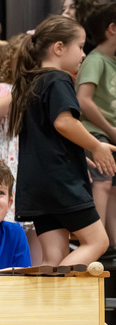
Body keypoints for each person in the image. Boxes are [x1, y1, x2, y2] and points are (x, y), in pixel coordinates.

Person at [8, 15, 116, 266]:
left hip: (37, 185)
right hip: (60, 183)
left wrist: (80, 156)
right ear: (59, 47)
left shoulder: (33, 81)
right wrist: (95, 146)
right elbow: (64, 122)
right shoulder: (58, 79)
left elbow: (47, 136)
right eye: (80, 46)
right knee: (97, 242)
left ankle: (42, 304)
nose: (83, 54)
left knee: (53, 257)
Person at [0, 34, 43, 265]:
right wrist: (26, 83)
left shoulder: (45, 87)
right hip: (10, 162)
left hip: (36, 162)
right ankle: (4, 270)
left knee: (37, 226)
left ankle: (36, 276)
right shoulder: (3, 88)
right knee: (7, 221)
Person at [76, 2, 116, 252]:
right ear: (112, 28)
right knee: (102, 183)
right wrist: (110, 130)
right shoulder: (96, 60)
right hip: (95, 133)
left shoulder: (110, 61)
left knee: (112, 187)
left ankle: (110, 243)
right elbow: (84, 101)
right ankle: (96, 242)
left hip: (107, 133)